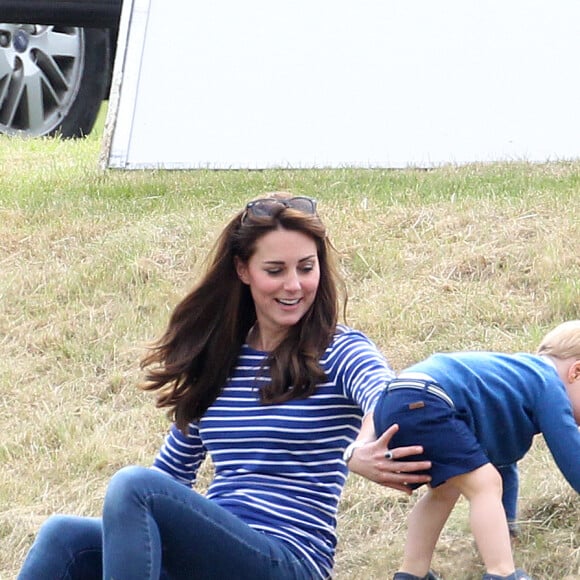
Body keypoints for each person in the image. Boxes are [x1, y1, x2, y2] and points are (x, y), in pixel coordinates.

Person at [18, 192, 433, 580]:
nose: (294, 285)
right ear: (242, 270)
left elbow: (388, 396)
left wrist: (356, 449)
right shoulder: (221, 358)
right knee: (64, 537)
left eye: (306, 268)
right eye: (276, 270)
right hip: (218, 549)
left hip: (289, 559)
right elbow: (170, 476)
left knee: (133, 486)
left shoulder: (339, 349)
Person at [351, 320, 580, 580]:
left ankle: (411, 573)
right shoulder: (547, 382)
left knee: (446, 489)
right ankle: (503, 574)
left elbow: (502, 466)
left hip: (397, 400)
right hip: (426, 399)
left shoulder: (514, 381)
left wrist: (507, 527)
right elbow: (573, 457)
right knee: (485, 484)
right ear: (576, 371)